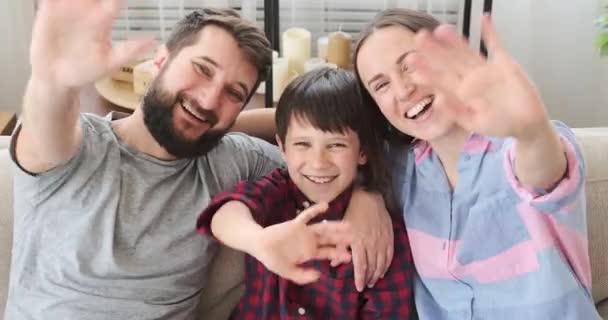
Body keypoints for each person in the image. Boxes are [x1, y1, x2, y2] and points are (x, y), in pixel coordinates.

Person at [5, 1, 394, 319]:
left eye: (233, 93)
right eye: (201, 69)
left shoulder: (235, 158)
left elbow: (317, 145)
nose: (209, 100)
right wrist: (52, 82)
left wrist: (368, 191)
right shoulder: (79, 146)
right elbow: (46, 125)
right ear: (160, 61)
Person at [352, 8, 600, 319]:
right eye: (381, 85)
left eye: (410, 65)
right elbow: (309, 133)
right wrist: (365, 195)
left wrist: (533, 131)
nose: (403, 90)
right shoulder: (401, 170)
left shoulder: (519, 148)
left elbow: (542, 171)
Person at [196, 68, 415, 319]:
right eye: (302, 144)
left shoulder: (384, 238)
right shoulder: (278, 189)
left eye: (336, 145)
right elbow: (226, 213)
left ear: (362, 151)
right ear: (282, 147)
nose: (318, 162)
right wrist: (259, 241)